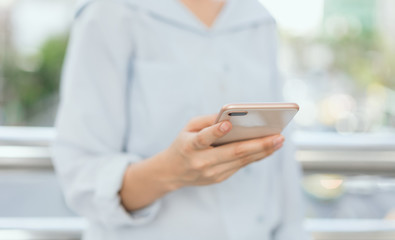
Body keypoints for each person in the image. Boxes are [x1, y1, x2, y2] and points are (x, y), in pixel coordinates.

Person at [52, 0, 310, 239]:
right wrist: (170, 172)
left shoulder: (258, 18)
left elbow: (282, 166)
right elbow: (81, 173)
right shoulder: (112, 11)